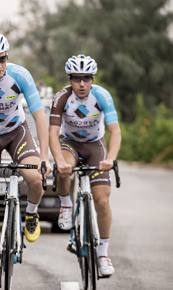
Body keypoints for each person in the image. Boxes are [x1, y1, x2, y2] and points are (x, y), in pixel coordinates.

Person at [0, 32, 52, 286]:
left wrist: (44, 156)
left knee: (35, 179)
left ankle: (31, 213)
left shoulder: (20, 75)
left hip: (16, 133)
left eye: (3, 59)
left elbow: (39, 116)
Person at [49, 54, 121, 277]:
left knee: (102, 200)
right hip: (69, 143)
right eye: (77, 78)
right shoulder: (62, 97)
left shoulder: (102, 96)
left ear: (92, 79)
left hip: (94, 146)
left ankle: (103, 254)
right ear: (70, 79)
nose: (82, 84)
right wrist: (59, 160)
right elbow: (52, 132)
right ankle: (65, 205)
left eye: (87, 78)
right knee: (64, 169)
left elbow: (115, 131)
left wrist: (110, 159)